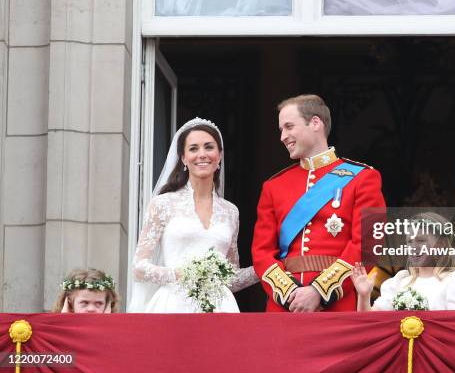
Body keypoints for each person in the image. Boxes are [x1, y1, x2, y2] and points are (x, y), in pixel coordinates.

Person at [251, 94, 386, 312]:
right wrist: (290, 294)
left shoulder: (363, 178)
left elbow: (367, 244)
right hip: (286, 308)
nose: (283, 136)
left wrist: (319, 292)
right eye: (281, 130)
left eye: (289, 126)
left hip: (339, 305)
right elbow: (261, 252)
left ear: (315, 123)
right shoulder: (273, 186)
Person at [129, 118, 258, 313]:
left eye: (209, 147)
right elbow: (139, 267)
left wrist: (267, 268)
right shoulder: (163, 203)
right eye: (193, 149)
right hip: (172, 306)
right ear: (183, 158)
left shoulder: (231, 211)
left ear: (220, 155)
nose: (202, 155)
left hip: (219, 307)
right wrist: (181, 274)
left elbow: (230, 278)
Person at [351, 212, 455, 311]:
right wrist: (364, 295)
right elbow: (370, 322)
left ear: (440, 245)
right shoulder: (399, 281)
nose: (413, 247)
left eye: (420, 240)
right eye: (410, 241)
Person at [52, 268, 119, 313]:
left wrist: (107, 322)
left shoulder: (119, 330)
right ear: (70, 304)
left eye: (99, 303)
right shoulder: (49, 330)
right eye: (84, 303)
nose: (91, 309)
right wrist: (64, 320)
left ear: (108, 304)